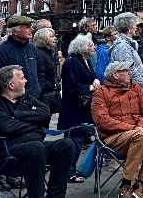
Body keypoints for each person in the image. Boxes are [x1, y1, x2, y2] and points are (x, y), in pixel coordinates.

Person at [0, 65, 74, 198]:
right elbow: (8, 128)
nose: (26, 81)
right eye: (22, 78)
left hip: (34, 146)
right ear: (11, 85)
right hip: (7, 151)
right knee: (36, 147)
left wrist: (18, 115)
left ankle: (56, 195)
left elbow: (46, 114)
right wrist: (35, 123)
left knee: (66, 145)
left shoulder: (25, 97)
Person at [91, 61, 143, 198]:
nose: (130, 73)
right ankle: (126, 183)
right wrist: (133, 128)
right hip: (114, 138)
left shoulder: (135, 88)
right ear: (116, 75)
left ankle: (142, 183)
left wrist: (141, 126)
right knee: (141, 134)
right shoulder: (101, 93)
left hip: (138, 133)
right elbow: (102, 121)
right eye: (126, 70)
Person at [58, 33, 100, 183]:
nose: (93, 47)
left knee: (78, 140)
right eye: (90, 46)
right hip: (73, 109)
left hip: (82, 108)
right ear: (82, 48)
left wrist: (95, 80)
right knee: (73, 141)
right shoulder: (71, 62)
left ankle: (71, 170)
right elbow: (71, 86)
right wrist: (89, 87)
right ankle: (68, 172)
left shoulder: (84, 60)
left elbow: (91, 75)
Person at [0, 15, 45, 99]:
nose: (32, 29)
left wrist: (38, 89)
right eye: (27, 27)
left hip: (34, 100)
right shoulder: (2, 51)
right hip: (14, 104)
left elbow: (40, 71)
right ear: (15, 31)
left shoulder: (32, 48)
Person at [110, 12, 143, 92]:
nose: (136, 27)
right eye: (134, 25)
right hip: (133, 91)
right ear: (129, 28)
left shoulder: (127, 45)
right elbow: (129, 70)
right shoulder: (123, 47)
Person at [33, 28, 61, 114]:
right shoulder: (40, 54)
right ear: (44, 39)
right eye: (52, 36)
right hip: (43, 94)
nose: (55, 38)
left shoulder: (48, 53)